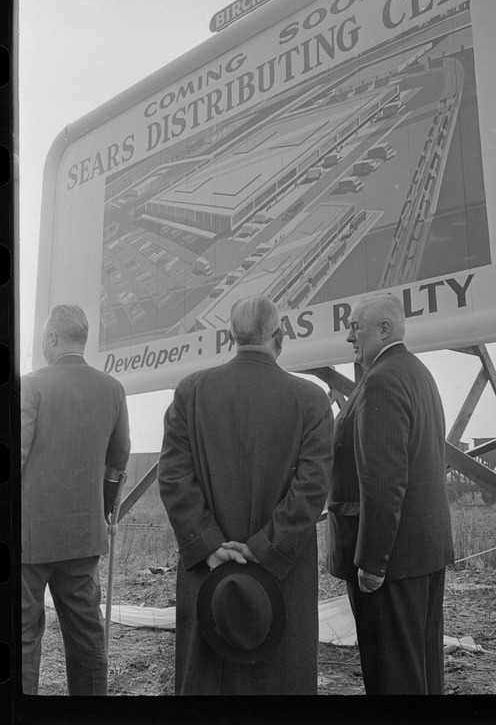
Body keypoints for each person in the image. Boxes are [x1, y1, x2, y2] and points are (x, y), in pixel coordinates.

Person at [158, 295, 334, 695]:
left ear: (229, 336)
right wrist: (264, 549)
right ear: (280, 336)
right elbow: (312, 488)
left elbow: (172, 476)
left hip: (208, 574)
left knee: (206, 679)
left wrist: (210, 546)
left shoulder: (191, 391)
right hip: (281, 578)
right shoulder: (311, 399)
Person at [326, 293, 454, 695]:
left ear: (384, 330)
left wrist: (373, 562)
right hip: (422, 552)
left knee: (393, 678)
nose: (349, 336)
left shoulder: (381, 381)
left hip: (392, 562)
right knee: (421, 667)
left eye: (355, 326)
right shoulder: (416, 372)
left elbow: (384, 481)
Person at [21, 303, 131, 695]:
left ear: (51, 338)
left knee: (22, 642)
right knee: (87, 639)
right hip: (83, 539)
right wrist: (101, 512)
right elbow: (117, 463)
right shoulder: (112, 389)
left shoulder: (30, 385)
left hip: (28, 542)